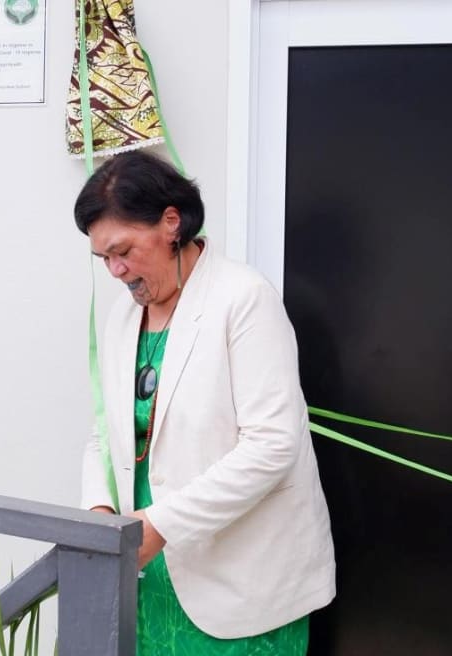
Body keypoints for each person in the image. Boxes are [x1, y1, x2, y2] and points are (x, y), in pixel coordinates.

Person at [75, 151, 335, 654]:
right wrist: (99, 512)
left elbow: (273, 447)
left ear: (171, 223)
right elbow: (106, 429)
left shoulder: (244, 298)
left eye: (123, 250)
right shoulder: (123, 318)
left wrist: (160, 525)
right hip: (149, 579)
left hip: (242, 585)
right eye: (103, 257)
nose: (115, 269)